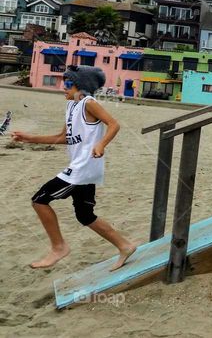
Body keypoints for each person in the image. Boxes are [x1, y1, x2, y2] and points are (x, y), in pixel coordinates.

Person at [13, 65, 137, 271]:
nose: (64, 87)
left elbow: (114, 124)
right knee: (85, 215)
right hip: (84, 169)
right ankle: (125, 246)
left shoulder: (89, 102)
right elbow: (62, 138)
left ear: (81, 87)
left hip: (82, 169)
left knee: (40, 200)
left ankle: (59, 247)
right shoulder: (72, 106)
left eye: (68, 84)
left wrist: (101, 144)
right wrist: (28, 138)